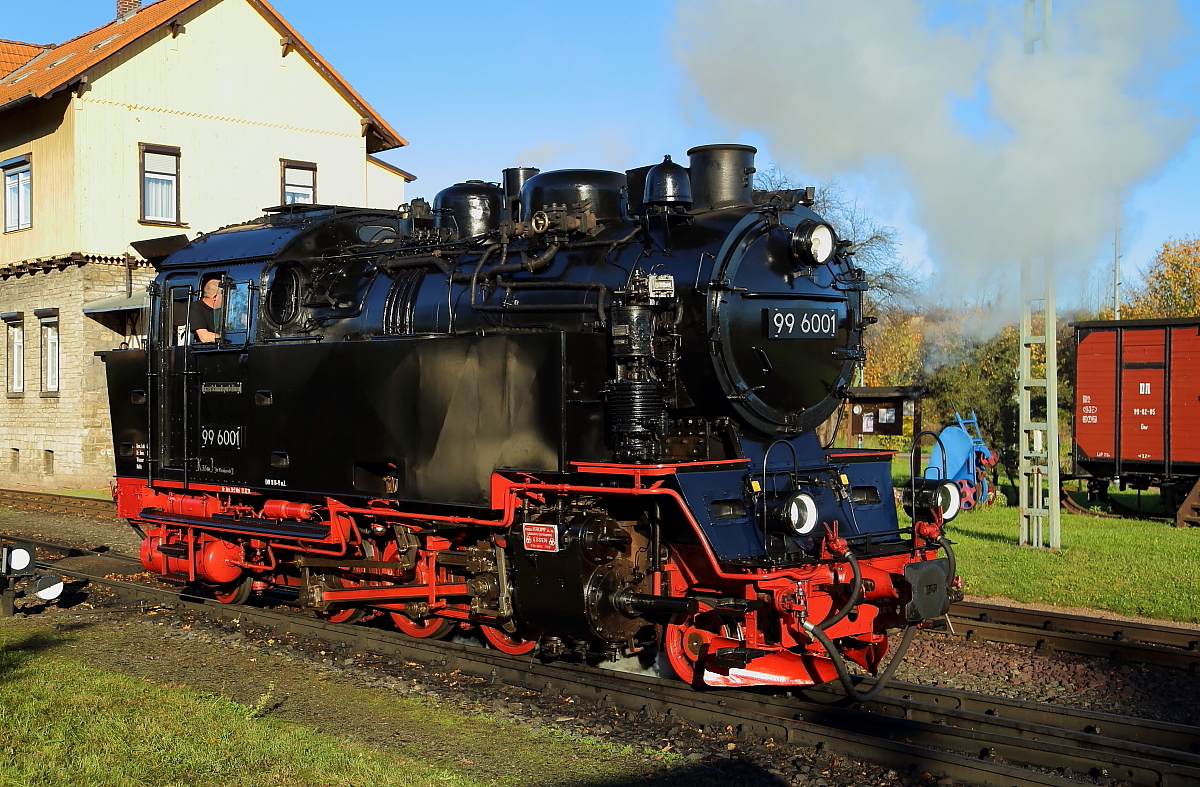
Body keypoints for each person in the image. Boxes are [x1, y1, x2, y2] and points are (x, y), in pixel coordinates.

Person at [191, 278, 223, 343]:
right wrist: (229, 339)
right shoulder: (196, 307)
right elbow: (204, 337)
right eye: (224, 296)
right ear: (214, 297)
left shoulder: (226, 310)